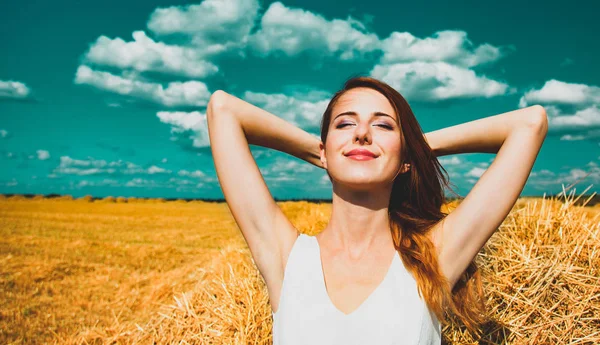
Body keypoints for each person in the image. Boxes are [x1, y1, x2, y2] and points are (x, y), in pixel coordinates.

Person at [206, 76, 548, 344]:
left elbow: (529, 123)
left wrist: (411, 150)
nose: (363, 133)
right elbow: (223, 109)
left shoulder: (435, 258)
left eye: (383, 125)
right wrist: (326, 152)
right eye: (345, 124)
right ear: (324, 149)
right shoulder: (286, 258)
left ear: (405, 161)